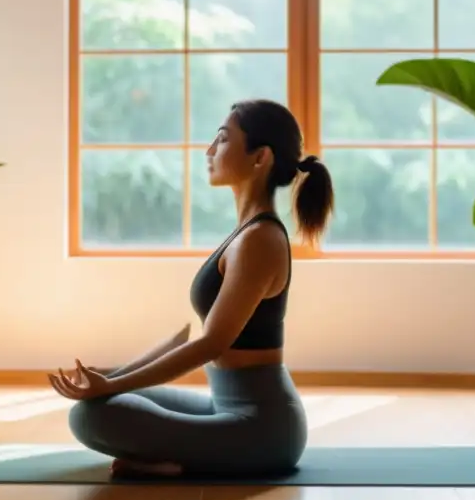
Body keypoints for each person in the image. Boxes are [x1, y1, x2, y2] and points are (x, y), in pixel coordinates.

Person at [48, 99, 334, 478]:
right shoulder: (245, 233)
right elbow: (185, 337)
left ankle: (177, 465)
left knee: (92, 417)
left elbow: (210, 345)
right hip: (225, 407)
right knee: (99, 406)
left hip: (262, 430)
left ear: (260, 157)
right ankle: (177, 460)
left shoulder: (260, 240)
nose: (209, 150)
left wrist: (111, 385)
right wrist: (110, 377)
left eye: (223, 139)